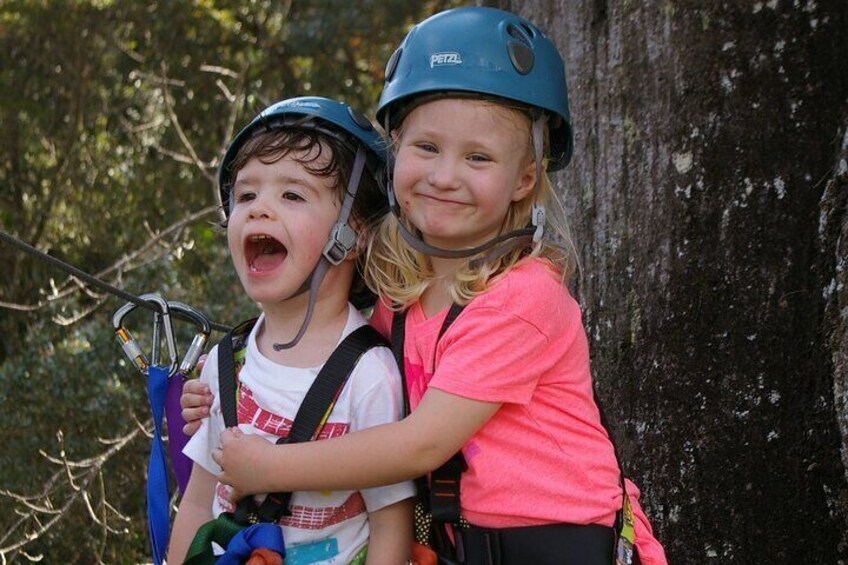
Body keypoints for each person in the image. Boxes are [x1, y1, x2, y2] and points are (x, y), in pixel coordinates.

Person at [183, 7, 668, 565]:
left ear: (525, 179)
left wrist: (268, 467)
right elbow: (333, 374)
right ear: (395, 152)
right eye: (427, 148)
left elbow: (422, 443)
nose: (444, 176)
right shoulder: (399, 296)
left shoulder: (521, 297)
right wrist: (230, 396)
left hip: (560, 546)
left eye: (478, 157)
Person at [167, 96, 414, 565]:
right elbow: (200, 502)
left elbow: (390, 525)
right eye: (246, 195)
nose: (259, 210)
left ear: (354, 232)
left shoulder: (367, 375)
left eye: (292, 195)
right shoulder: (227, 362)